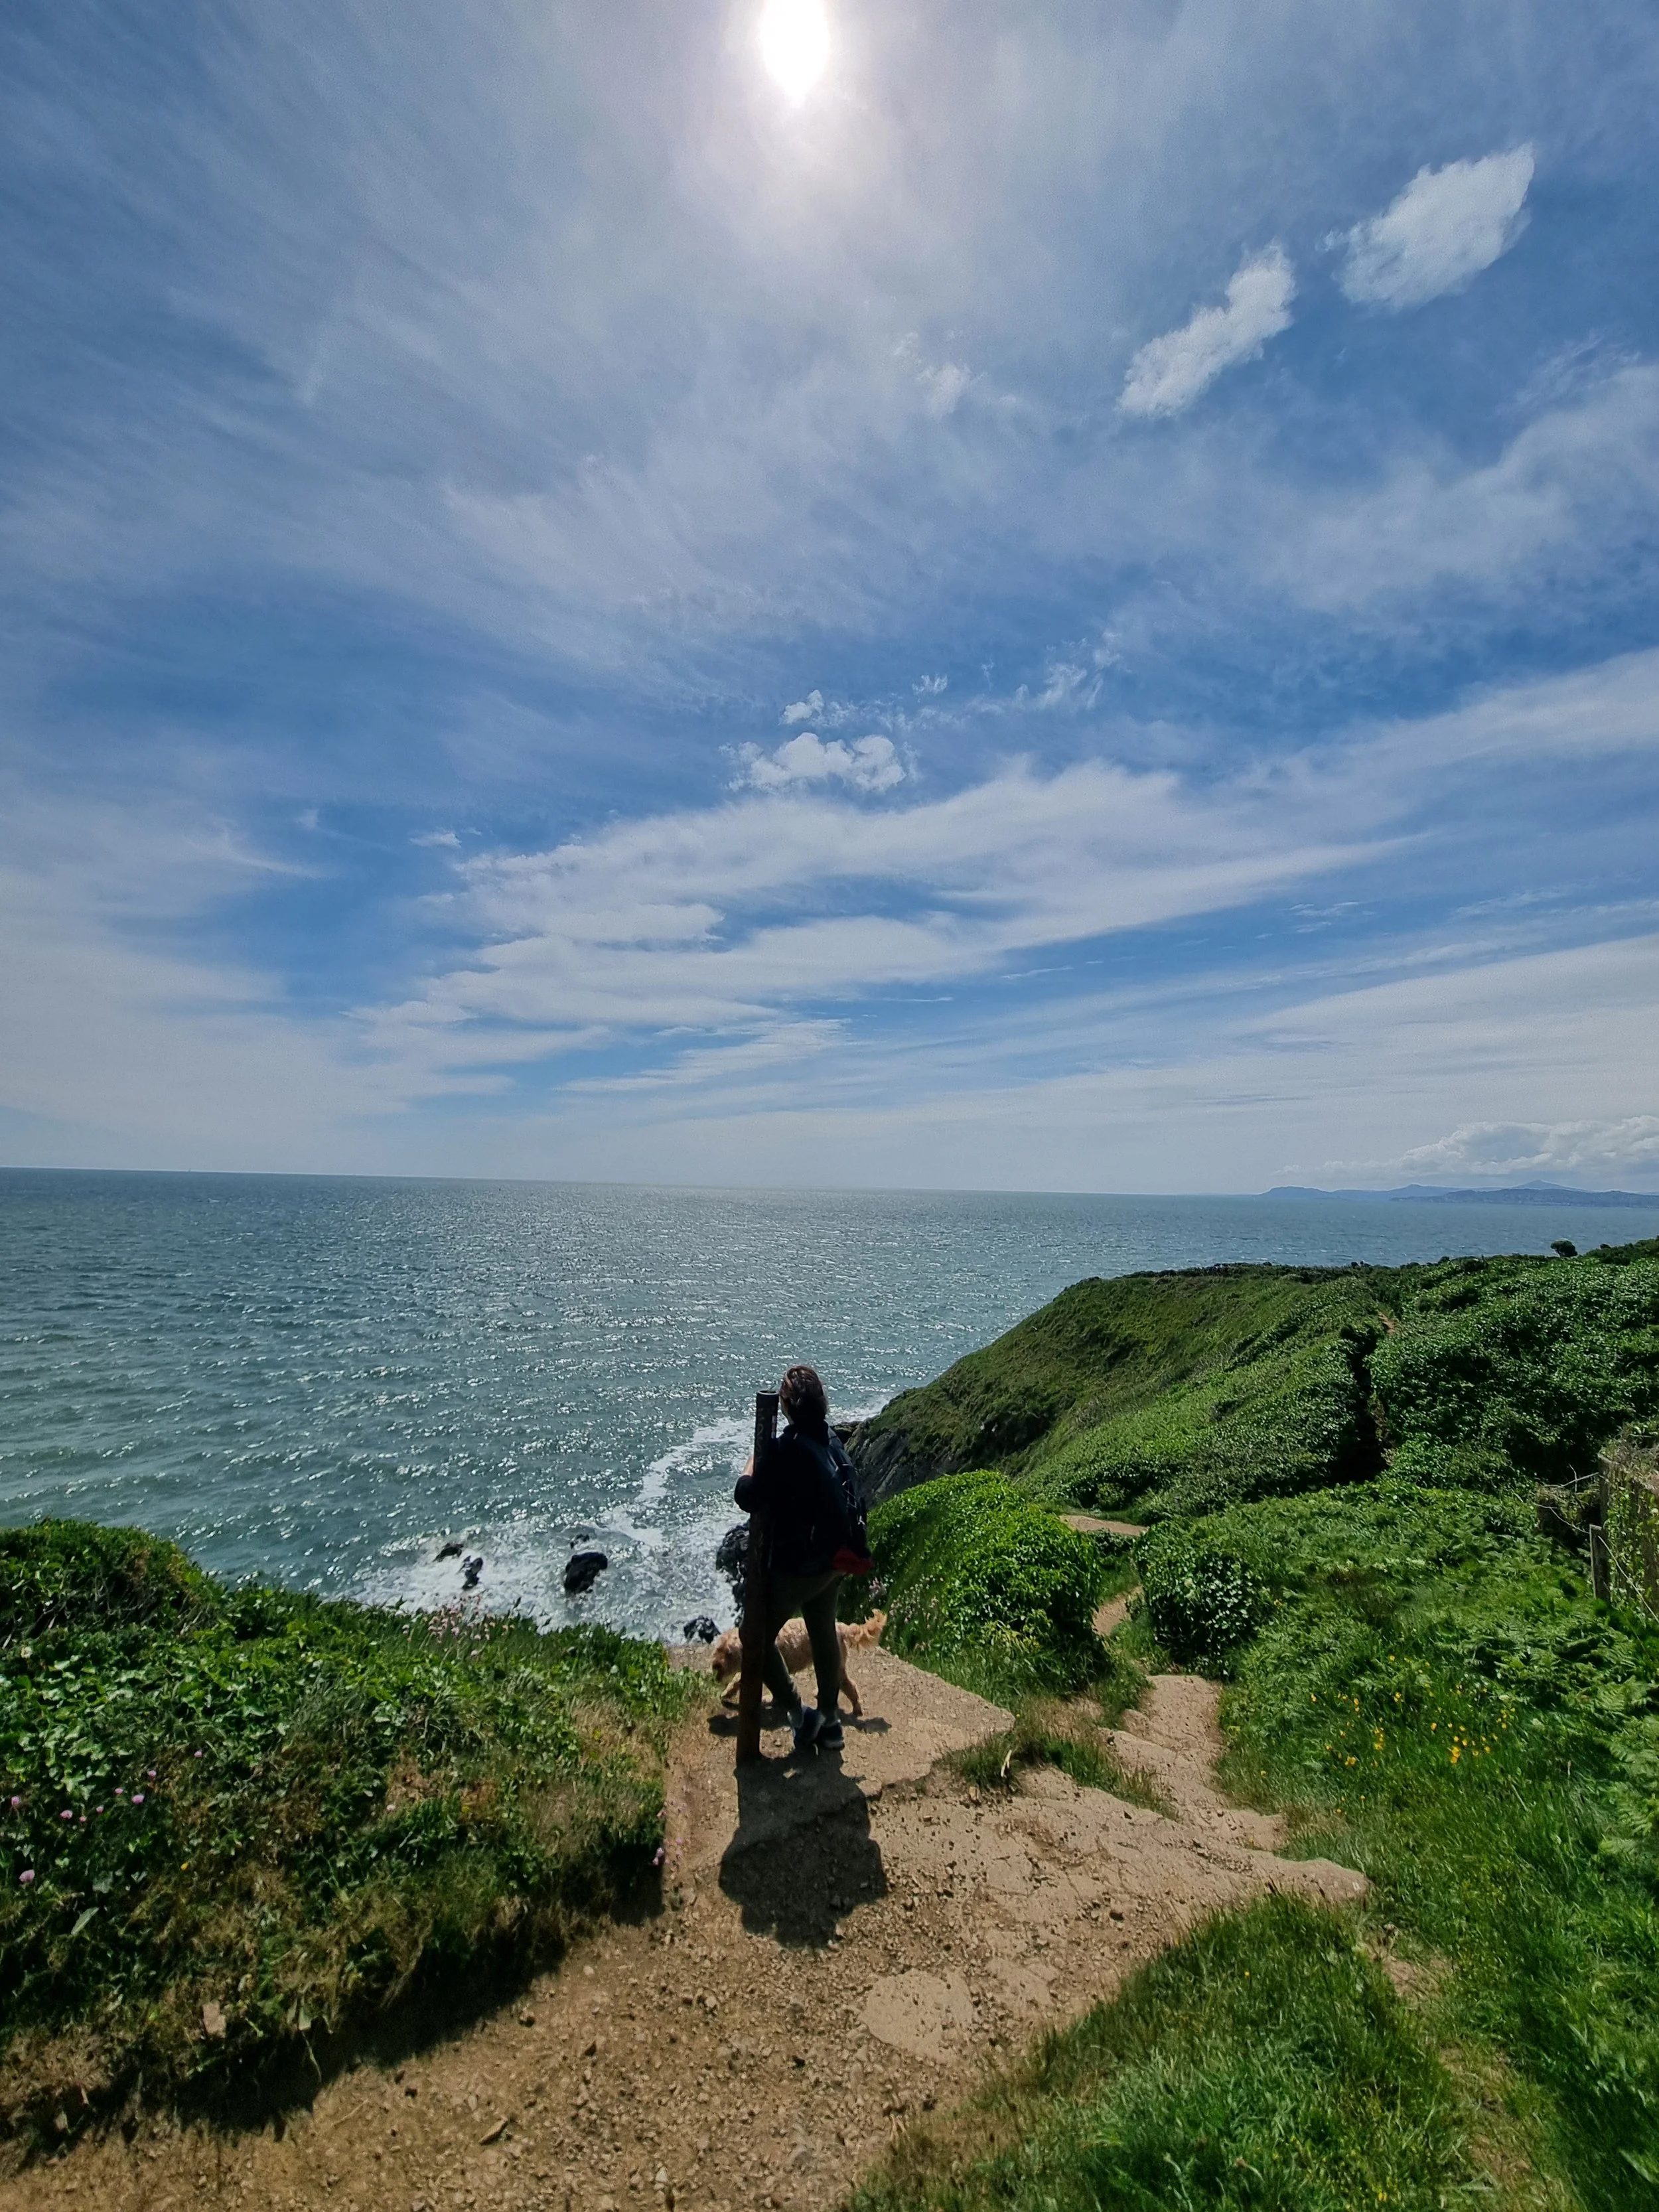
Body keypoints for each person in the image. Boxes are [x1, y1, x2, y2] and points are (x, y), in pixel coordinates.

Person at [734, 1363, 863, 1753]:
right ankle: (830, 1720)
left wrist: (754, 1459)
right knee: (823, 1631)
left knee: (753, 1635)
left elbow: (746, 1495)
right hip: (838, 1557)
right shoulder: (831, 1438)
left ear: (787, 1407)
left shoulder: (787, 1448)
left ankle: (797, 1712)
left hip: (802, 1564)